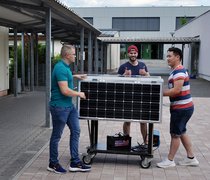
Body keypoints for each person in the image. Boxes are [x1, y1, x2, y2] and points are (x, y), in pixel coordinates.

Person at [47, 45, 91, 174]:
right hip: (59, 107)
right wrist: (79, 94)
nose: (75, 56)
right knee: (56, 136)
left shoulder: (65, 67)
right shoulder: (60, 68)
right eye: (73, 54)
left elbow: (66, 77)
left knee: (76, 131)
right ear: (67, 55)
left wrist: (76, 76)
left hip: (69, 106)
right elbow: (64, 90)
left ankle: (75, 162)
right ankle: (53, 163)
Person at [157, 47, 199, 168]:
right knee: (182, 132)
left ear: (177, 57)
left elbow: (176, 91)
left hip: (182, 108)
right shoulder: (175, 71)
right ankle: (191, 158)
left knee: (175, 134)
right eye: (167, 56)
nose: (167, 59)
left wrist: (158, 92)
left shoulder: (179, 71)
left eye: (170, 56)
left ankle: (170, 160)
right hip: (183, 107)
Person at [118, 45, 150, 144]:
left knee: (143, 121)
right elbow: (116, 82)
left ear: (137, 53)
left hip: (141, 97)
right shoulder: (123, 67)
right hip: (127, 97)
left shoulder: (143, 65)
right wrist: (123, 76)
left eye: (134, 53)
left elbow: (150, 78)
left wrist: (145, 74)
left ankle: (146, 142)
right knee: (127, 121)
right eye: (131, 53)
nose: (133, 55)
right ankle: (125, 141)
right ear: (128, 54)